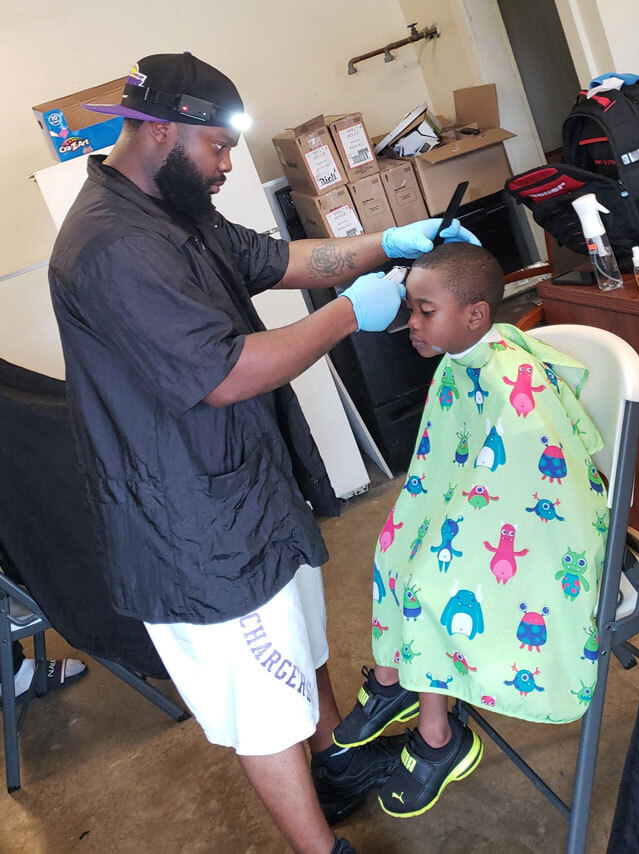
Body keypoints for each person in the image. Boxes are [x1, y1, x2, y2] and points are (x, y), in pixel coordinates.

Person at [47, 52, 479, 854]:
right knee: (263, 700)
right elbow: (226, 373)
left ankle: (334, 765)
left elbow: (282, 260)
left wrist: (390, 241)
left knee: (301, 642)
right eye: (216, 147)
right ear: (161, 132)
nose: (224, 165)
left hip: (240, 486)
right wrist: (350, 314)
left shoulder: (171, 205)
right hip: (189, 523)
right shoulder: (111, 247)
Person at [334, 243, 609, 820]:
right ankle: (396, 676)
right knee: (394, 548)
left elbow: (536, 477)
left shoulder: (511, 376)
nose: (410, 322)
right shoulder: (463, 363)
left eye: (423, 310)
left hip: (548, 528)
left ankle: (439, 736)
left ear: (475, 316)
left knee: (429, 582)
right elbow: (449, 467)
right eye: (412, 308)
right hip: (495, 508)